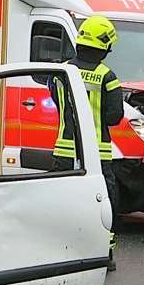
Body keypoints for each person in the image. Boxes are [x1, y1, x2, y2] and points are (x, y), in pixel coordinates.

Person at [52, 15, 124, 268]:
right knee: (105, 199)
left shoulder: (60, 71)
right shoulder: (108, 76)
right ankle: (106, 250)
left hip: (65, 147)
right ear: (104, 45)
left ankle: (63, 247)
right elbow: (115, 117)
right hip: (97, 151)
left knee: (64, 198)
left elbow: (56, 102)